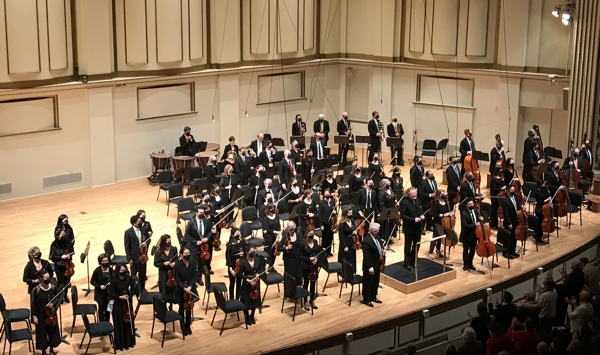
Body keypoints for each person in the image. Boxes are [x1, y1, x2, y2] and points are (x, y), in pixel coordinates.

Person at [31, 269, 62, 355]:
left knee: (52, 332)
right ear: (40, 279)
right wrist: (34, 316)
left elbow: (58, 299)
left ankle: (51, 349)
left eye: (49, 277)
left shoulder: (53, 287)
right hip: (40, 314)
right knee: (41, 333)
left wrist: (54, 305)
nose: (48, 279)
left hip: (51, 314)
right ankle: (43, 351)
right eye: (46, 278)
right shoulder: (36, 290)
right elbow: (33, 304)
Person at [182, 205, 215, 287]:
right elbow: (187, 235)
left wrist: (207, 238)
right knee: (193, 265)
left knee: (201, 264)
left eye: (203, 213)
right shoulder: (191, 223)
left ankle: (199, 278)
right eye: (200, 213)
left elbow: (210, 231)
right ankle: (192, 280)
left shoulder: (206, 221)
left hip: (204, 248)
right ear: (196, 213)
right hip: (194, 247)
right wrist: (196, 242)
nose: (202, 214)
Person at [110, 264, 136, 350]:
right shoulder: (114, 280)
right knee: (119, 323)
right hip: (117, 304)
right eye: (121, 270)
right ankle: (120, 344)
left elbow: (134, 289)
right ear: (117, 271)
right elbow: (111, 293)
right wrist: (119, 297)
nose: (123, 272)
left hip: (127, 303)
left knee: (128, 322)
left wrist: (129, 295)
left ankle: (129, 342)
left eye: (124, 270)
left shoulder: (129, 279)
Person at [173, 247, 197, 336]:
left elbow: (195, 276)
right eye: (186, 253)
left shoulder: (193, 263)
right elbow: (177, 279)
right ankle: (182, 327)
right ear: (181, 254)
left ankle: (188, 326)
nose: (188, 255)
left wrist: (190, 286)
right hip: (181, 290)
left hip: (190, 289)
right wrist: (184, 288)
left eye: (188, 253)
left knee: (189, 307)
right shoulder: (177, 265)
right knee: (182, 308)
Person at [239, 246, 264, 325]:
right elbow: (240, 274)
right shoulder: (243, 262)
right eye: (251, 252)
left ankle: (252, 315)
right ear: (247, 252)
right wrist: (248, 280)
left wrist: (258, 274)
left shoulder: (257, 260)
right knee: (246, 300)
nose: (252, 253)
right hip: (247, 283)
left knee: (255, 300)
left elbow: (260, 269)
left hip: (256, 284)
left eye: (253, 251)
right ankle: (246, 316)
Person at [400, 187, 423, 271]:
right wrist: (413, 219)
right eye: (413, 194)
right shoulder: (404, 203)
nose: (415, 195)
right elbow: (403, 216)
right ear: (408, 194)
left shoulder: (417, 200)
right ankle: (406, 263)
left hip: (418, 227)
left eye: (415, 193)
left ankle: (413, 260)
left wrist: (421, 215)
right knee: (408, 246)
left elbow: (420, 210)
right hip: (409, 228)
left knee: (417, 244)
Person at [49, 226, 74, 303]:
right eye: (62, 234)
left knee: (67, 282)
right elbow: (52, 257)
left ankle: (65, 295)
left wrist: (70, 255)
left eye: (64, 234)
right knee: (60, 282)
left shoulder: (68, 242)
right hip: (59, 266)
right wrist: (61, 257)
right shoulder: (54, 245)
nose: (64, 235)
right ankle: (59, 296)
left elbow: (72, 251)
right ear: (57, 236)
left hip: (68, 266)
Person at [124, 215, 149, 291]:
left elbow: (148, 239)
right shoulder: (128, 232)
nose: (141, 222)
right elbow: (127, 247)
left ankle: (142, 288)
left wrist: (146, 243)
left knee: (142, 274)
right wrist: (129, 258)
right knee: (133, 275)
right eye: (139, 221)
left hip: (143, 255)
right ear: (134, 223)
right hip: (134, 257)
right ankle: (134, 289)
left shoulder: (144, 229)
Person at [362, 223, 384, 307]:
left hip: (377, 263)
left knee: (375, 281)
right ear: (374, 231)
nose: (378, 232)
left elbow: (380, 243)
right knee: (368, 282)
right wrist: (370, 267)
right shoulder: (366, 241)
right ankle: (366, 299)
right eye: (377, 231)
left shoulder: (376, 237)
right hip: (370, 265)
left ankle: (373, 296)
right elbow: (366, 256)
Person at [153, 234, 178, 310]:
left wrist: (174, 263)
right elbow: (156, 263)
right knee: (164, 290)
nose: (169, 243)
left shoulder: (174, 249)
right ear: (164, 242)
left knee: (172, 289)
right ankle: (164, 309)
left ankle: (171, 306)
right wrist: (164, 263)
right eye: (168, 242)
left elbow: (177, 259)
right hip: (163, 273)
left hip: (172, 273)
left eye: (170, 241)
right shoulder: (158, 252)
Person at [302, 227, 321, 310]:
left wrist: (316, 258)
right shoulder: (303, 244)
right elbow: (301, 257)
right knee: (306, 284)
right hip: (306, 266)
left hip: (314, 266)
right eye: (310, 234)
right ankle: (305, 301)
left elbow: (318, 253)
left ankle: (312, 300)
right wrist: (309, 259)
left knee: (313, 283)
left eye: (313, 234)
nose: (312, 236)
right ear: (306, 235)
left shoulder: (315, 242)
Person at [278, 221, 303, 286]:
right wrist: (286, 248)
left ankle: (298, 291)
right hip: (289, 259)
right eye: (291, 228)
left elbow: (300, 245)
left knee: (298, 275)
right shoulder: (285, 236)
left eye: (294, 227)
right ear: (288, 228)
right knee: (290, 276)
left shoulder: (298, 234)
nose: (293, 229)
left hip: (297, 259)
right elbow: (279, 248)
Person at [90, 253, 113, 322]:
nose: (105, 263)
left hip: (108, 293)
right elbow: (92, 282)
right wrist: (100, 286)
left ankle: (107, 323)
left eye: (106, 261)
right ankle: (102, 323)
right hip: (100, 294)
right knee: (101, 309)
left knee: (108, 309)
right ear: (100, 262)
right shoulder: (97, 271)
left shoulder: (111, 270)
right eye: (103, 261)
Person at [460, 199, 480, 271]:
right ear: (466, 205)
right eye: (469, 204)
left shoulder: (475, 211)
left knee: (472, 250)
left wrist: (481, 219)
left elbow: (478, 220)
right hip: (467, 235)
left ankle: (470, 263)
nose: (471, 205)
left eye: (472, 204)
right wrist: (475, 225)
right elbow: (465, 225)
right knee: (466, 250)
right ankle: (465, 264)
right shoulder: (463, 213)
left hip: (475, 234)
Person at [430, 189, 450, 260]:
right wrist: (443, 215)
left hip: (444, 223)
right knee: (435, 237)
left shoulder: (446, 203)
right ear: (438, 195)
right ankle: (430, 253)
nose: (443, 195)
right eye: (442, 194)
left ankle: (438, 250)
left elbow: (448, 211)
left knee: (440, 237)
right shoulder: (436, 203)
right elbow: (435, 214)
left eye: (444, 194)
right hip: (437, 222)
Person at [225, 230, 246, 300]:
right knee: (232, 283)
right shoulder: (229, 246)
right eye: (236, 235)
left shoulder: (242, 243)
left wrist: (242, 255)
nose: (238, 236)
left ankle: (237, 299)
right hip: (233, 267)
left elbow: (245, 254)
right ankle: (231, 299)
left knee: (239, 283)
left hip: (240, 266)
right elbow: (228, 258)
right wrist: (230, 269)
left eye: (238, 234)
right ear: (233, 236)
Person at [502, 186, 521, 259]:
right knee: (508, 238)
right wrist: (509, 223)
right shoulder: (505, 201)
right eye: (512, 191)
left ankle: (513, 251)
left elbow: (517, 206)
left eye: (514, 190)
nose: (514, 192)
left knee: (514, 237)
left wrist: (521, 209)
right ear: (508, 191)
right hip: (509, 222)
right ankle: (506, 252)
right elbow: (506, 214)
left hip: (515, 220)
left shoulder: (515, 197)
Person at [338, 206, 357, 273]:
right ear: (345, 214)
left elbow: (353, 229)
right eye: (349, 213)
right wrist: (344, 246)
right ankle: (345, 274)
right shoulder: (341, 224)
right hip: (345, 243)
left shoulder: (351, 220)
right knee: (346, 259)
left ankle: (351, 273)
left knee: (352, 258)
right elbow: (341, 236)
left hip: (352, 242)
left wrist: (355, 231)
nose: (351, 215)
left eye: (351, 213)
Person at [262, 204, 281, 270]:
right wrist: (274, 232)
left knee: (274, 253)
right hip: (269, 237)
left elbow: (278, 226)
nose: (272, 209)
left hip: (276, 237)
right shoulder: (265, 219)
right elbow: (266, 229)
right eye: (271, 208)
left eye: (273, 208)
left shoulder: (277, 217)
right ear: (267, 210)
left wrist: (278, 236)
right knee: (269, 253)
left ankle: (271, 266)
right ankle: (265, 266)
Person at [377, 179, 396, 245]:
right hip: (386, 211)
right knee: (385, 225)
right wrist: (385, 211)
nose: (388, 185)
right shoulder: (381, 192)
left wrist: (395, 201)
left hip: (392, 209)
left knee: (391, 224)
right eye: (386, 184)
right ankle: (384, 239)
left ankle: (389, 238)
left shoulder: (390, 189)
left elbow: (393, 197)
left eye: (388, 184)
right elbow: (381, 203)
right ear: (383, 184)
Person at [319, 189, 336, 256]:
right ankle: (324, 252)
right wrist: (321, 224)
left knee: (330, 238)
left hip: (331, 223)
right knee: (325, 238)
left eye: (328, 195)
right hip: (324, 223)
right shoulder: (321, 203)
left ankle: (329, 251)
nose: (327, 196)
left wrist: (335, 212)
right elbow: (319, 214)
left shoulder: (332, 202)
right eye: (326, 195)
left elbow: (335, 211)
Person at [535, 179, 553, 244]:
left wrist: (550, 200)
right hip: (539, 209)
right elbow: (539, 203)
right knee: (539, 224)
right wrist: (546, 200)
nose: (544, 185)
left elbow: (549, 196)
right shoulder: (537, 192)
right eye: (543, 184)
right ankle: (537, 237)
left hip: (545, 209)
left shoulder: (544, 190)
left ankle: (541, 234)